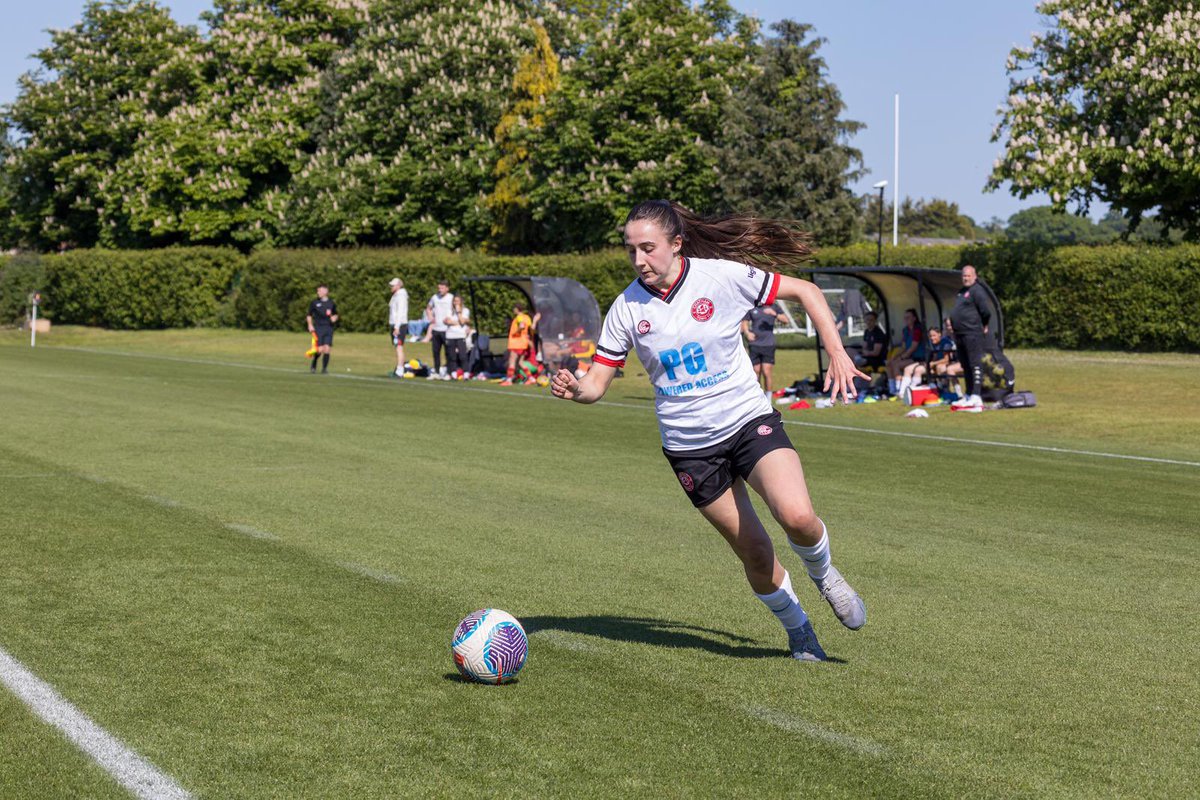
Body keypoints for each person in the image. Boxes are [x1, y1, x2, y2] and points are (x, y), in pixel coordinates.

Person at [551, 200, 867, 662]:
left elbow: (806, 291)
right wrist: (575, 388)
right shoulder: (625, 308)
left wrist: (837, 351)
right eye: (630, 250)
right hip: (690, 450)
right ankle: (798, 629)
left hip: (747, 421)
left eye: (648, 248)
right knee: (756, 554)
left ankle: (825, 576)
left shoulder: (719, 276)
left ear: (676, 245)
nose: (639, 260)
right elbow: (597, 384)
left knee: (797, 516)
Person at [949, 265, 990, 411]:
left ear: (974, 276)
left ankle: (976, 396)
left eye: (968, 275)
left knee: (974, 363)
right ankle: (968, 394)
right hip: (960, 333)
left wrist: (984, 324)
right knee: (965, 365)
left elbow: (985, 311)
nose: (965, 278)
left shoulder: (977, 291)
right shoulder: (962, 291)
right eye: (963, 276)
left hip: (972, 332)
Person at [741, 301, 789, 396]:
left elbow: (786, 320)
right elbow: (745, 322)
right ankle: (757, 396)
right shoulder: (752, 306)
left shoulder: (774, 307)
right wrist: (747, 333)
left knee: (766, 372)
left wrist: (774, 314)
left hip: (768, 344)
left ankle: (768, 399)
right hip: (754, 344)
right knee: (755, 372)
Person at [897, 324, 955, 398]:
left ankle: (911, 392)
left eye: (934, 335)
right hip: (933, 364)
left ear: (939, 334)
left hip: (941, 365)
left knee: (918, 370)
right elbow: (934, 357)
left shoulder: (945, 343)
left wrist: (933, 363)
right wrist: (928, 362)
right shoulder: (932, 344)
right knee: (907, 369)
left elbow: (946, 360)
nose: (932, 338)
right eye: (930, 336)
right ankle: (902, 393)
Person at [885, 308, 926, 395]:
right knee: (889, 364)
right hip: (909, 357)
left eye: (908, 317)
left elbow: (913, 347)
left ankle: (899, 389)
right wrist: (894, 357)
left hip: (918, 358)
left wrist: (902, 357)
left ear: (914, 318)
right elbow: (903, 347)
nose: (906, 319)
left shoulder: (918, 329)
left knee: (896, 364)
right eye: (905, 318)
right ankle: (892, 390)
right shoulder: (905, 330)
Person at [306, 284, 338, 374]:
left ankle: (324, 369)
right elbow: (309, 315)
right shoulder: (314, 303)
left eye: (319, 291)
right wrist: (310, 324)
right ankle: (314, 363)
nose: (318, 292)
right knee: (319, 350)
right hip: (318, 328)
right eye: (317, 291)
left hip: (328, 328)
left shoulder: (331, 303)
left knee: (327, 349)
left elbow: (335, 314)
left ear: (325, 292)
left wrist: (334, 318)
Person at [426, 279, 455, 379]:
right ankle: (437, 372)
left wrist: (450, 319)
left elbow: (456, 310)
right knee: (436, 352)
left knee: (448, 352)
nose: (440, 290)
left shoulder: (451, 298)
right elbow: (428, 308)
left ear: (447, 288)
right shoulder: (434, 297)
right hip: (436, 329)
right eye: (439, 288)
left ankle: (448, 372)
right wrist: (430, 317)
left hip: (447, 330)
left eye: (442, 288)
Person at [500, 301, 533, 386]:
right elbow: (530, 328)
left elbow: (521, 326)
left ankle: (509, 380)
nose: (513, 310)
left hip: (517, 343)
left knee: (512, 361)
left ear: (516, 309)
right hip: (523, 343)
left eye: (514, 308)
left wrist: (516, 332)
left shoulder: (519, 317)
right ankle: (531, 378)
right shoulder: (527, 317)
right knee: (520, 363)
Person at [443, 295, 472, 379]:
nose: (455, 303)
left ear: (461, 302)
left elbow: (462, 321)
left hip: (460, 335)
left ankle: (466, 372)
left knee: (462, 355)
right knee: (452, 355)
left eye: (457, 301)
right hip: (450, 335)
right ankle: (453, 372)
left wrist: (459, 312)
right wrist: (458, 322)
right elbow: (447, 321)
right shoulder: (449, 310)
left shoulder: (465, 310)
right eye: (454, 301)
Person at [388, 277, 409, 377]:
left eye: (393, 285)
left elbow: (400, 312)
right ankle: (399, 368)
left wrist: (397, 327)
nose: (391, 287)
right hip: (395, 325)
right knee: (397, 347)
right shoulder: (395, 295)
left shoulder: (401, 296)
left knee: (399, 347)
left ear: (398, 286)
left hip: (399, 325)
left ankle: (400, 370)